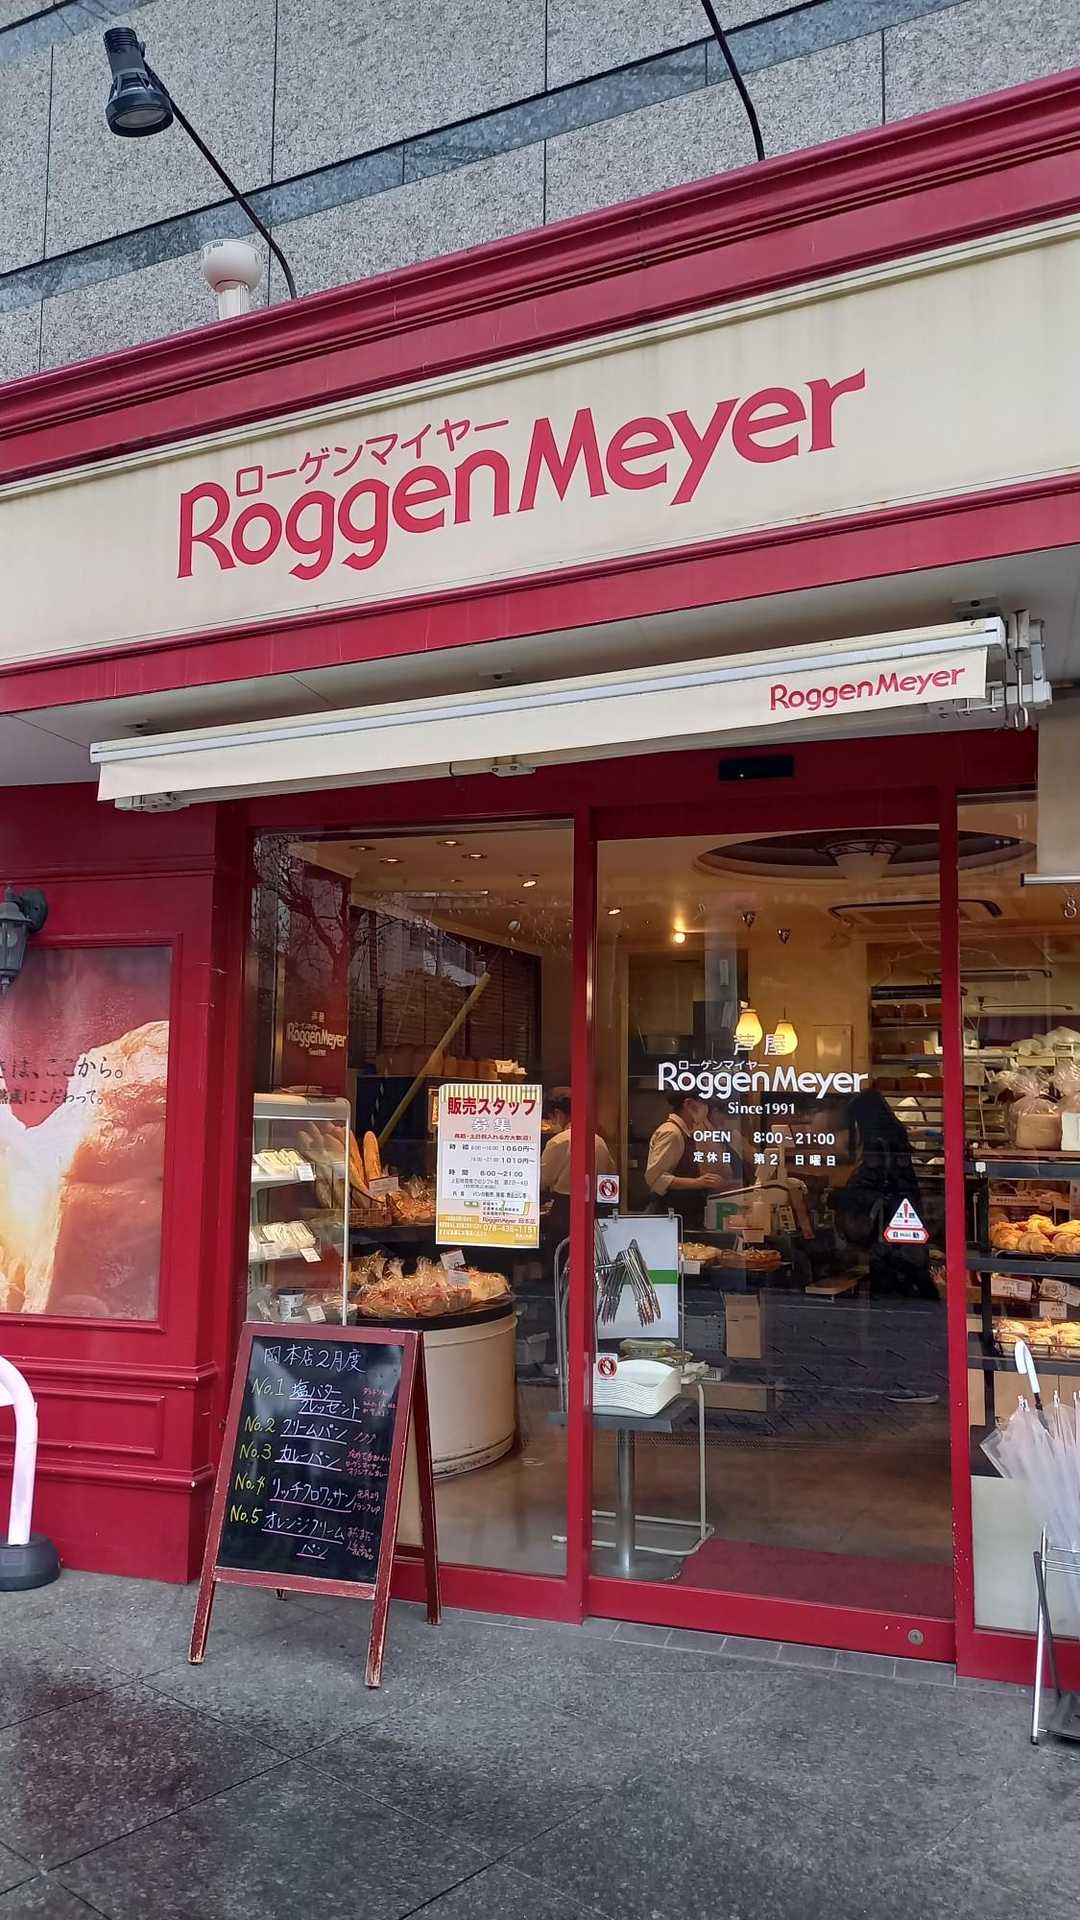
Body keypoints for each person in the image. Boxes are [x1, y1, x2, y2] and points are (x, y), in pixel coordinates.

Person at [832, 1088, 936, 1299]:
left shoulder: (878, 1147)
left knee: (887, 1295)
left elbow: (870, 1188)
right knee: (915, 1285)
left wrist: (837, 1197)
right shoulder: (896, 1142)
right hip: (904, 1235)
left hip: (887, 1237)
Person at [539, 1091, 616, 1248]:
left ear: (558, 1114)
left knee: (562, 1254)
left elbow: (542, 1180)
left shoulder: (559, 1141)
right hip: (597, 1207)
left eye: (551, 1118)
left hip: (565, 1209)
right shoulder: (599, 1140)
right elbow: (611, 1174)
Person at [644, 1091, 730, 1229]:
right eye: (702, 1102)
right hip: (669, 1213)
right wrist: (698, 1182)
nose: (705, 1107)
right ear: (688, 1104)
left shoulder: (685, 1132)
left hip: (684, 1212)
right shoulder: (671, 1132)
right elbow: (655, 1178)